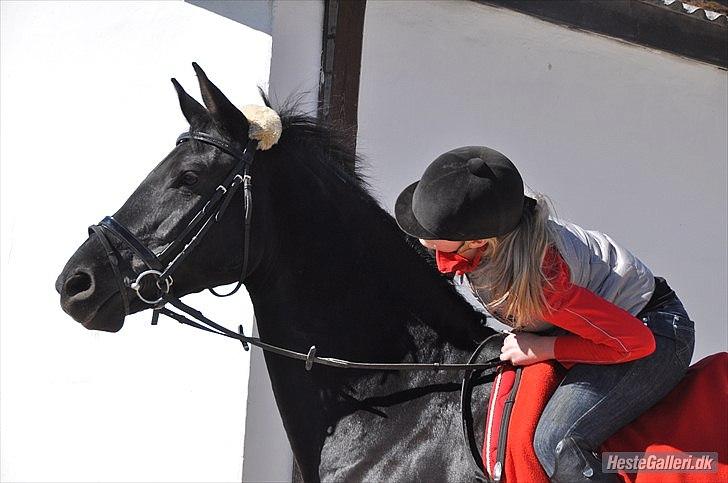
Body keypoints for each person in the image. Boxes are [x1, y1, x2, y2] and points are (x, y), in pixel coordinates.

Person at [394, 146, 695, 482]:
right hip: (591, 327)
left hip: (653, 332)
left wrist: (543, 348)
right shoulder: (496, 236)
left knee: (555, 440)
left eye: (434, 237)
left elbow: (637, 343)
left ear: (479, 242)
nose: (422, 238)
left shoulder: (545, 283)